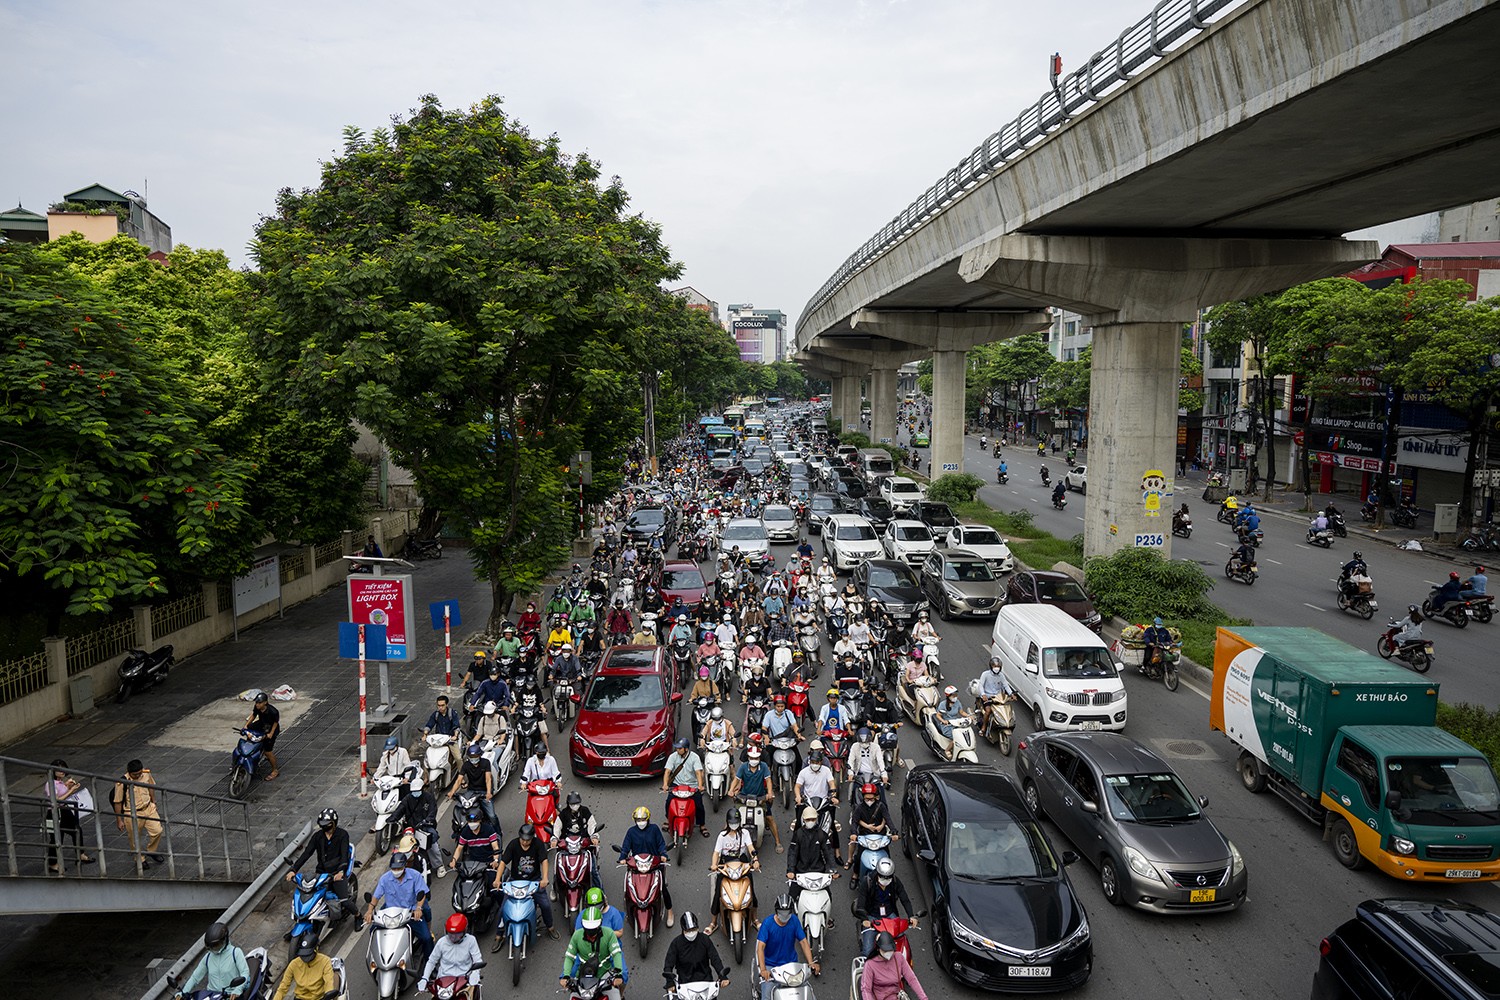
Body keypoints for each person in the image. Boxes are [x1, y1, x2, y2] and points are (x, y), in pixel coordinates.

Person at [286, 807, 362, 925]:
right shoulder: (317, 837)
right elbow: (306, 854)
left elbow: (343, 855)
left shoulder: (343, 835)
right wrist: (293, 869)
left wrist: (340, 871)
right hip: (321, 873)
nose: (325, 828)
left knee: (344, 901)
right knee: (309, 898)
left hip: (337, 872)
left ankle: (358, 916)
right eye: (323, 825)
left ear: (334, 823)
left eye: (328, 825)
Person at [364, 851, 433, 967]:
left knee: (426, 938)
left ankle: (431, 964)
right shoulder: (385, 879)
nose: (396, 871)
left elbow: (422, 894)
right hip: (390, 915)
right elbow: (376, 896)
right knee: (372, 932)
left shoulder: (415, 876)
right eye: (394, 869)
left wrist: (418, 908)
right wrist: (370, 910)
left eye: (399, 868)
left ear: (405, 866)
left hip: (409, 913)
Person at [495, 824, 559, 947]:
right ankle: (499, 935)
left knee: (545, 905)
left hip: (533, 881)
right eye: (522, 840)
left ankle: (550, 927)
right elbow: (503, 862)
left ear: (532, 838)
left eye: (527, 840)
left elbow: (544, 861)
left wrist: (544, 878)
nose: (524, 842)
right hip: (514, 882)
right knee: (503, 909)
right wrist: (498, 879)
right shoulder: (513, 844)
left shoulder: (538, 844)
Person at [617, 806, 676, 927]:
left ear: (648, 819)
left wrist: (663, 854)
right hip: (637, 866)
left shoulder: (654, 829)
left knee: (662, 888)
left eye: (643, 819)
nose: (641, 822)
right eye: (638, 820)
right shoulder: (631, 832)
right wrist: (622, 858)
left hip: (654, 864)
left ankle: (670, 912)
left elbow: (660, 844)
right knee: (629, 888)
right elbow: (626, 847)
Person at [707, 807, 760, 933]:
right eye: (732, 823)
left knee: (751, 893)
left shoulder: (745, 834)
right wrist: (714, 864)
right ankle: (713, 922)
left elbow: (751, 847)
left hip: (742, 866)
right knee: (717, 895)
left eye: (736, 822)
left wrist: (755, 859)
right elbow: (716, 853)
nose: (734, 825)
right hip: (726, 867)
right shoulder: (722, 836)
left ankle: (754, 919)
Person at [756, 895, 819, 1000]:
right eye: (782, 912)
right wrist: (763, 970)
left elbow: (803, 942)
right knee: (767, 996)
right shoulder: (767, 924)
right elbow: (760, 947)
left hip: (792, 966)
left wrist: (811, 962)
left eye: (787, 912)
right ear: (776, 911)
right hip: (771, 967)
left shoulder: (794, 921)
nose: (784, 916)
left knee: (809, 995)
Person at [559, 906, 625, 1000]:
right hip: (582, 975)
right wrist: (566, 975)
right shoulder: (577, 936)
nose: (591, 934)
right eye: (588, 929)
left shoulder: (609, 934)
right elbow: (569, 957)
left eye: (593, 929)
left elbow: (616, 954)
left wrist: (619, 974)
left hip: (604, 974)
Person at [854, 858, 917, 954]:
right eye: (883, 877)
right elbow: (861, 904)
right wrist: (865, 920)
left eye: (888, 877)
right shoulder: (867, 882)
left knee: (901, 941)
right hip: (872, 917)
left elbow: (905, 899)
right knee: (867, 951)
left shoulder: (895, 882)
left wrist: (911, 916)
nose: (886, 880)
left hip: (889, 915)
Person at [176, 920, 250, 998]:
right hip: (211, 996)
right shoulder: (208, 957)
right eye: (211, 946)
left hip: (231, 996)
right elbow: (195, 977)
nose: (213, 948)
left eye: (216, 945)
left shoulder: (236, 953)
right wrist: (183, 993)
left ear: (225, 940)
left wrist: (237, 990)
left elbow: (245, 972)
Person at [112, 758, 164, 868]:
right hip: (132, 813)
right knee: (134, 838)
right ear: (129, 772)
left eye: (140, 773)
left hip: (148, 808)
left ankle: (151, 851)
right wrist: (119, 820)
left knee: (157, 830)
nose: (138, 776)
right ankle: (139, 859)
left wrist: (153, 801)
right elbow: (118, 802)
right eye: (135, 774)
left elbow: (151, 787)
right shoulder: (122, 782)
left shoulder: (146, 774)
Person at [662, 911, 730, 994]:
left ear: (697, 928)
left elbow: (715, 958)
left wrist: (722, 976)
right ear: (683, 930)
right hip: (685, 985)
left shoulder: (705, 940)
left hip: (706, 983)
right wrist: (670, 982)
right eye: (688, 930)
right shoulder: (676, 944)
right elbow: (668, 965)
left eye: (693, 929)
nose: (691, 933)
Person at [418, 913, 484, 997]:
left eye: (457, 934)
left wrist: (475, 973)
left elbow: (477, 960)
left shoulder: (471, 941)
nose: (453, 937)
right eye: (451, 934)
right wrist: (425, 978)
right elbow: (431, 961)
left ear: (465, 931)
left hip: (464, 981)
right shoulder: (441, 942)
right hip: (443, 982)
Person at [44, 759, 93, 873]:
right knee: (56, 838)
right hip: (55, 812)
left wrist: (67, 785)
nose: (62, 772)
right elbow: (55, 800)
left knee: (76, 830)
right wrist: (71, 790)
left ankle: (80, 854)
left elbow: (60, 792)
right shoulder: (49, 784)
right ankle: (52, 863)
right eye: (59, 770)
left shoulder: (59, 781)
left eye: (63, 769)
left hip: (65, 810)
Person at [730, 748, 783, 853]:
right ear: (749, 758)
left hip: (760, 798)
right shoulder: (743, 767)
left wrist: (769, 793)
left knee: (769, 818)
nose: (754, 760)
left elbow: (768, 780)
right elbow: (736, 779)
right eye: (752, 758)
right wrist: (731, 790)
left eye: (756, 758)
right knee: (732, 818)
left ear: (759, 758)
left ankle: (777, 842)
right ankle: (727, 840)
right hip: (744, 797)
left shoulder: (763, 767)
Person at [785, 804, 840, 902]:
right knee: (791, 898)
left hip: (818, 871)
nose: (810, 821)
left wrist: (833, 870)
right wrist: (790, 870)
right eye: (808, 819)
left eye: (813, 819)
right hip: (801, 871)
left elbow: (828, 852)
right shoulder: (798, 834)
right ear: (804, 820)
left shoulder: (822, 834)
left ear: (816, 819)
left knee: (828, 897)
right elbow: (792, 852)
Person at [859, 930, 930, 1000]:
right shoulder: (870, 964)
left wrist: (924, 998)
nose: (888, 953)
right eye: (885, 950)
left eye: (890, 950)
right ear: (878, 949)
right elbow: (866, 990)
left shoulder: (899, 957)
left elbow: (911, 979)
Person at [661, 738, 709, 838]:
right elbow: (667, 772)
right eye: (677, 748)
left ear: (686, 749)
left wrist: (700, 786)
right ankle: (668, 819)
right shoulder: (673, 756)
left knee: (699, 805)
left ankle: (702, 824)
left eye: (679, 748)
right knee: (669, 802)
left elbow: (698, 772)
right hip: (677, 785)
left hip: (692, 786)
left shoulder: (694, 757)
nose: (677, 750)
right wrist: (665, 784)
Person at [271, 933, 337, 1000]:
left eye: (308, 954)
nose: (305, 958)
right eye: (303, 955)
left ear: (316, 949)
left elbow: (329, 982)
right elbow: (283, 988)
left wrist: (329, 994)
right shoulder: (294, 964)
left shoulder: (325, 961)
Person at [449, 743, 498, 829]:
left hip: (484, 791)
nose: (473, 759)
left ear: (479, 755)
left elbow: (488, 779)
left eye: (475, 756)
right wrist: (452, 792)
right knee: (462, 810)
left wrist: (488, 792)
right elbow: (459, 780)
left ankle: (498, 832)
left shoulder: (486, 763)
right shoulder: (466, 765)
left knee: (492, 816)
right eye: (471, 757)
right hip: (471, 792)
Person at [848, 783, 896, 860]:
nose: (869, 801)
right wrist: (853, 833)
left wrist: (894, 832)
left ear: (875, 797)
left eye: (871, 799)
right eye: (867, 799)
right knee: (858, 859)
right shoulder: (859, 808)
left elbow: (888, 818)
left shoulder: (881, 806)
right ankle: (856, 872)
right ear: (863, 797)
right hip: (865, 836)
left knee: (887, 858)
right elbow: (855, 822)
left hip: (880, 836)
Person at [245, 691, 281, 781]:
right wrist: (246, 725)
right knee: (249, 730)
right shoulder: (257, 708)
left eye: (259, 703)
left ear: (265, 702)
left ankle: (275, 770)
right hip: (262, 723)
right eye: (256, 702)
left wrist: (271, 733)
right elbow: (253, 715)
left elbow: (275, 722)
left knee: (268, 752)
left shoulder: (273, 711)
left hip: (271, 727)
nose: (257, 704)